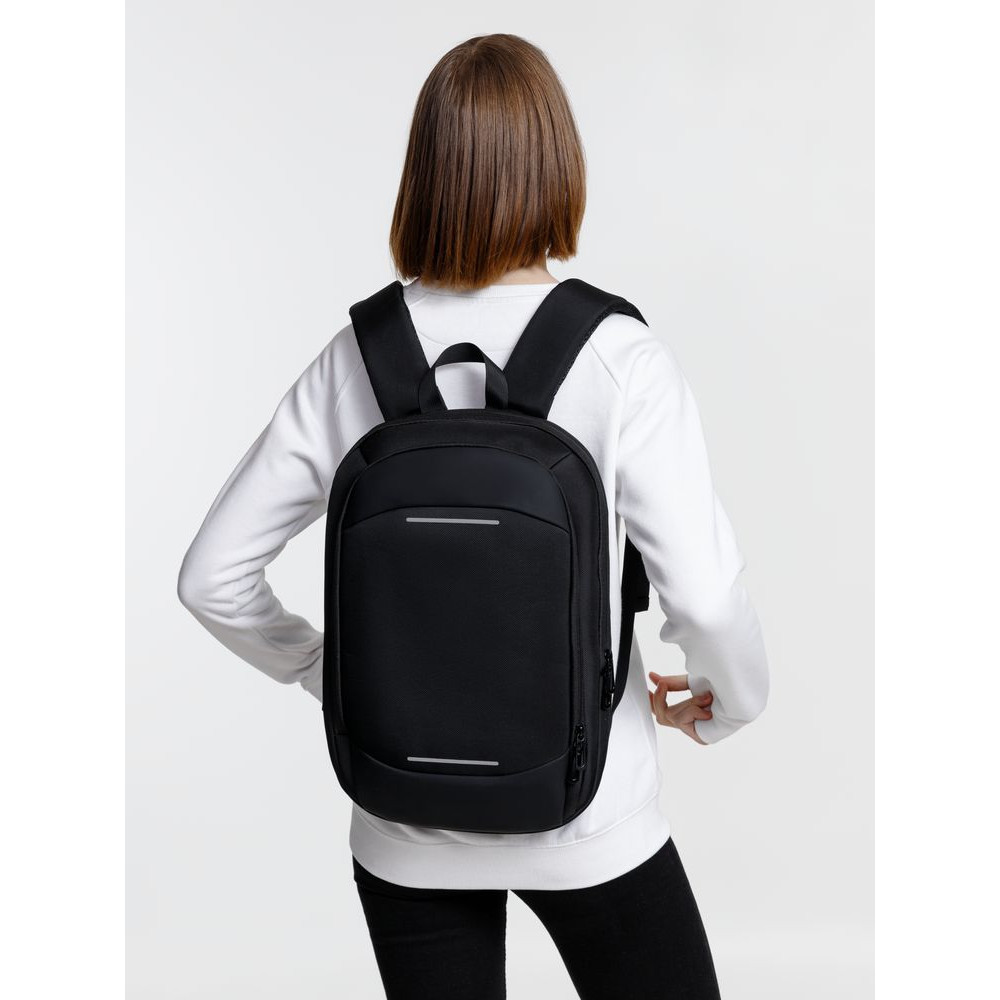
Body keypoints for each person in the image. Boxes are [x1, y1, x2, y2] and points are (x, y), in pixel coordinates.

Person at [177, 32, 769, 1000]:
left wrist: (330, 674)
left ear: (424, 173)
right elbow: (702, 595)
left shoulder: (354, 356)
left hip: (403, 819)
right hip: (590, 812)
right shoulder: (620, 360)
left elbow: (210, 578)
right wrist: (731, 700)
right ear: (557, 164)